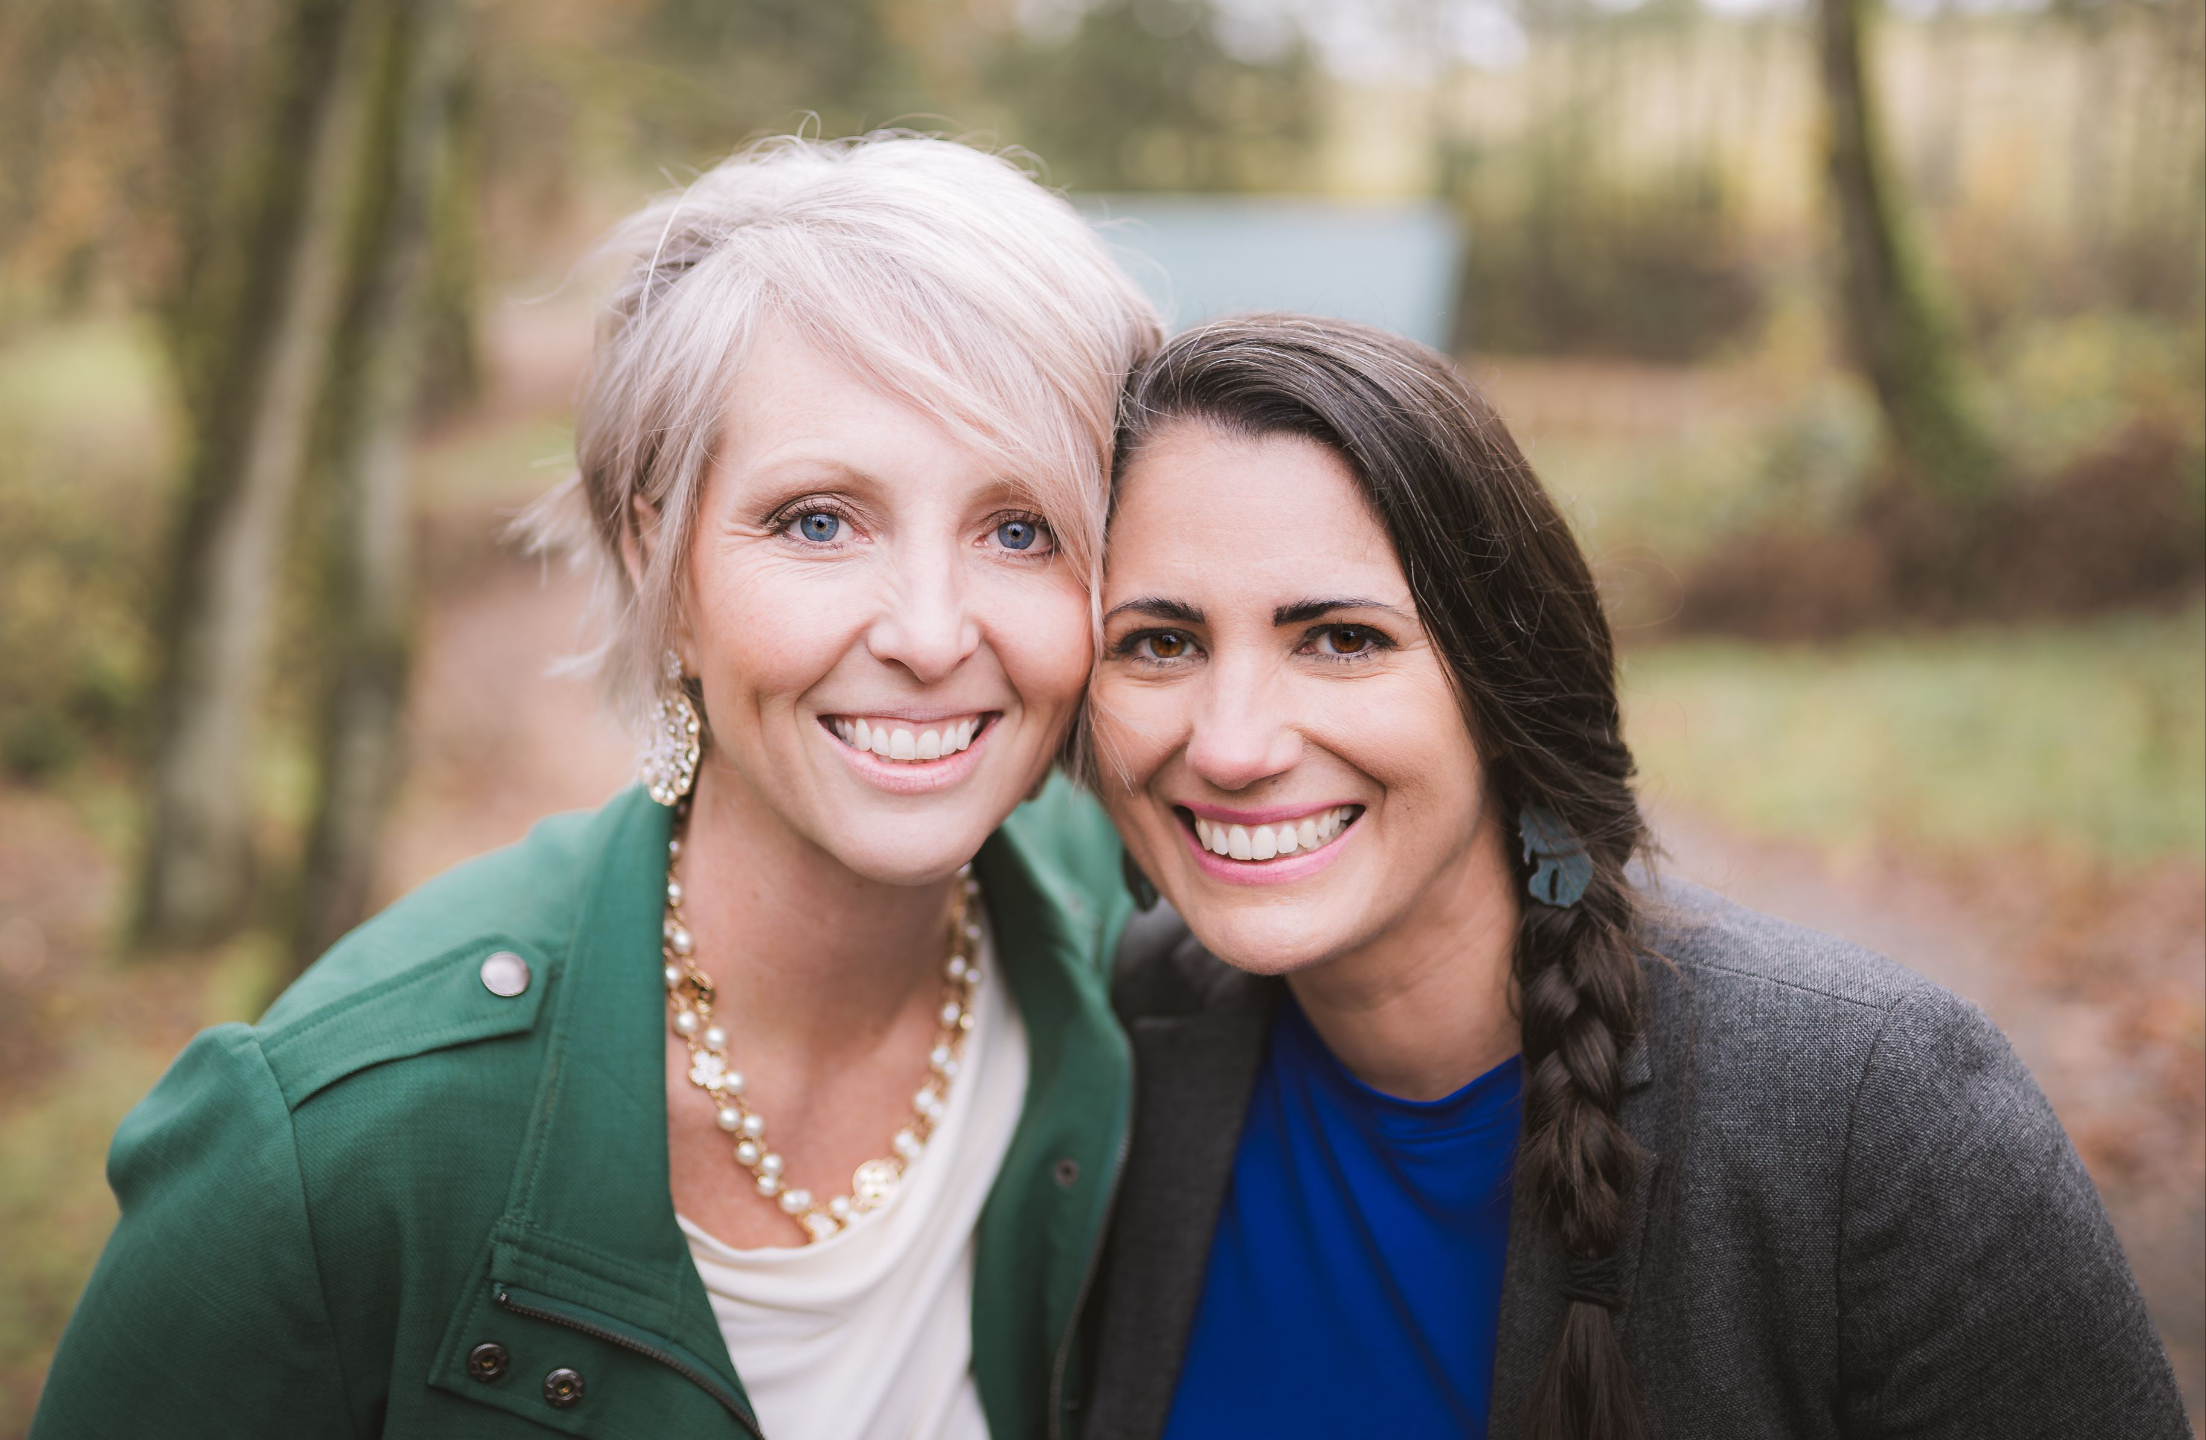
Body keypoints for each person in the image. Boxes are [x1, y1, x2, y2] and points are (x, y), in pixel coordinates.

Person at [33, 133, 1162, 1440]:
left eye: (1020, 530)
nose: (926, 631)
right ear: (655, 559)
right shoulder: (325, 1143)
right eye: (817, 521)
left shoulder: (1131, 940)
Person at [1075, 314, 2189, 1439]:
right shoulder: (1103, 1039)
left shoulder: (1879, 1116)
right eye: (1160, 643)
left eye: (1342, 639)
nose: (1231, 746)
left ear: (1505, 684)